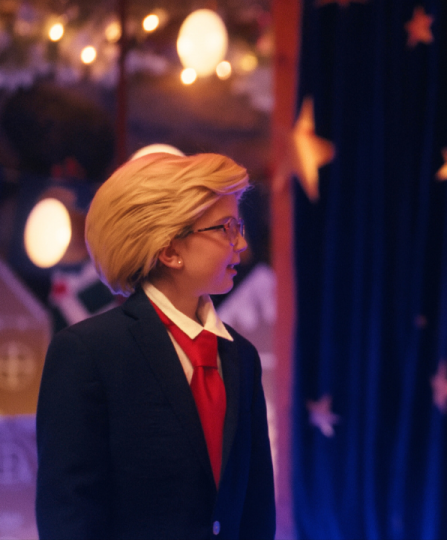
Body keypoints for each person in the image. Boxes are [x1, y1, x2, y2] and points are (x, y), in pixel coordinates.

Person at [36, 153, 275, 539]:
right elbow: (69, 514)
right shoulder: (89, 352)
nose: (242, 243)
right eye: (227, 228)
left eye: (240, 226)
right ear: (169, 251)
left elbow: (256, 507)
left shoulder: (241, 355)